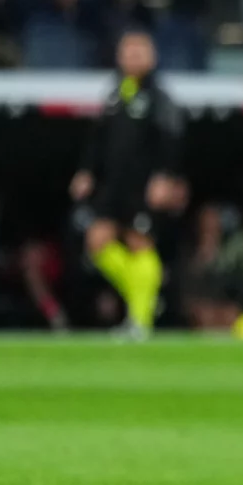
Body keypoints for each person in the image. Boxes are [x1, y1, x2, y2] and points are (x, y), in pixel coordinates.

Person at [69, 29, 185, 337]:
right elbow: (98, 139)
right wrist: (87, 172)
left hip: (143, 186)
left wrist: (165, 176)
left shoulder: (158, 97)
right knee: (97, 242)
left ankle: (140, 320)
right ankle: (143, 297)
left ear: (152, 57)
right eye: (128, 51)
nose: (132, 57)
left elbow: (171, 138)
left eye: (139, 51)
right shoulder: (114, 93)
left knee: (138, 242)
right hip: (112, 186)